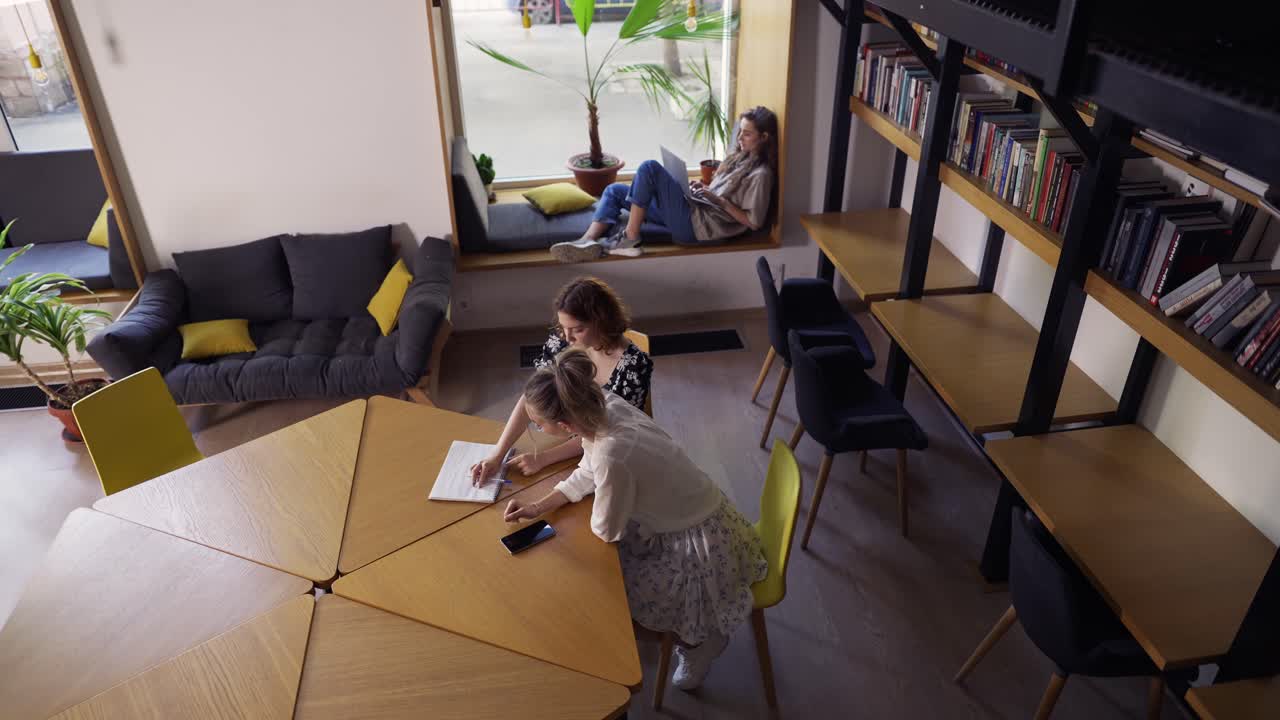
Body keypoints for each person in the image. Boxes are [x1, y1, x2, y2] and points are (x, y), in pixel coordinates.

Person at [502, 348, 768, 689]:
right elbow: (590, 466)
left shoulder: (615, 453)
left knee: (614, 602)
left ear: (565, 425)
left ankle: (699, 643)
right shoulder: (603, 404)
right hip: (704, 515)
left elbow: (606, 529)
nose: (536, 429)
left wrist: (567, 523)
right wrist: (544, 504)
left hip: (698, 546)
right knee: (602, 577)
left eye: (538, 424)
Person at [470, 277, 653, 481]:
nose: (568, 337)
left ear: (602, 322)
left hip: (606, 451)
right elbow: (533, 398)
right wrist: (497, 455)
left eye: (578, 329)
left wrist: (543, 459)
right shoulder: (561, 342)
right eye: (563, 327)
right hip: (560, 435)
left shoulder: (633, 366)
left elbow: (606, 430)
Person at [550, 106, 779, 263]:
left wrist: (716, 199)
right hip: (697, 210)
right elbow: (723, 194)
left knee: (649, 168)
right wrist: (706, 190)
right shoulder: (739, 158)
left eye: (747, 134)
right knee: (614, 191)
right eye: (740, 132)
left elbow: (754, 222)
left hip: (697, 228)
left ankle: (631, 239)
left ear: (765, 137)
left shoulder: (761, 175)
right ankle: (586, 241)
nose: (740, 138)